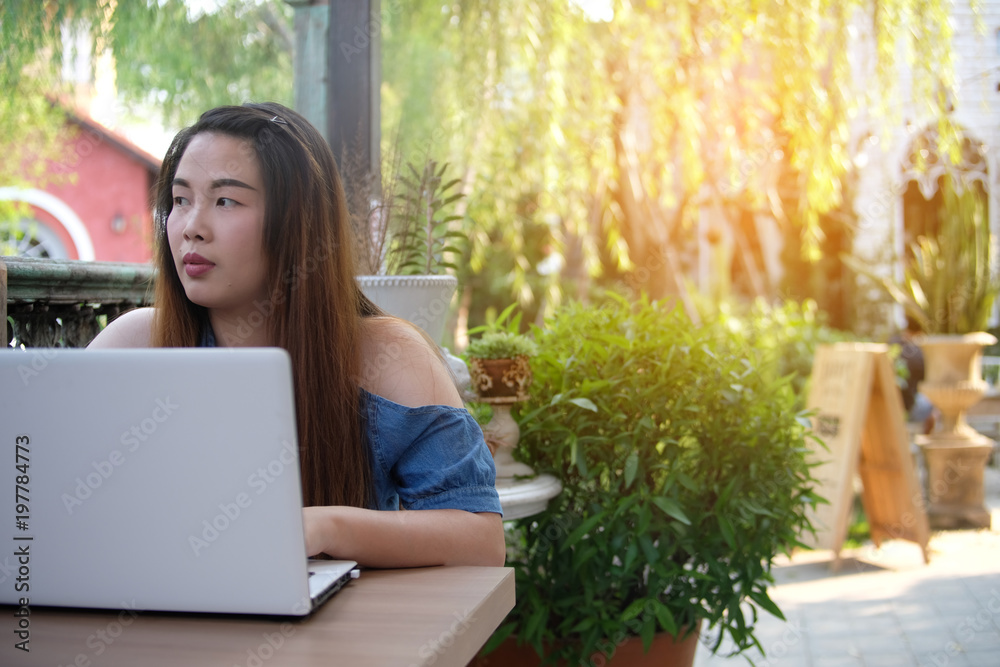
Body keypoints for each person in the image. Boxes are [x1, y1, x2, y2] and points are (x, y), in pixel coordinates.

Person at [89, 102, 505, 568]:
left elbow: (480, 540)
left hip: (333, 634)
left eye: (225, 201)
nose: (191, 228)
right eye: (181, 200)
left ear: (298, 224)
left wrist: (324, 527)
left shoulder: (387, 356)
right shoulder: (132, 347)